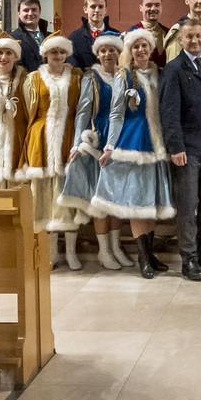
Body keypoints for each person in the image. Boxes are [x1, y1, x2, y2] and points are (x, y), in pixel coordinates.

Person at [90, 27, 176, 279]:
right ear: (130, 49)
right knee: (138, 202)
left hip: (156, 144)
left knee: (151, 202)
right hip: (134, 143)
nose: (140, 50)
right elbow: (116, 114)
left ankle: (150, 254)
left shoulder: (159, 73)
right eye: (136, 46)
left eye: (144, 46)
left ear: (151, 49)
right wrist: (109, 147)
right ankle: (143, 258)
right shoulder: (123, 76)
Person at [59, 33, 136, 269]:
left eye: (112, 50)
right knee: (101, 198)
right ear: (97, 54)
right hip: (99, 138)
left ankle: (115, 246)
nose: (108, 54)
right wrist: (76, 144)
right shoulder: (91, 78)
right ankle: (103, 250)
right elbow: (83, 112)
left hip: (120, 137)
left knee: (116, 197)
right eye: (103, 51)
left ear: (119, 53)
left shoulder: (125, 76)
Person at [160, 19, 201, 280]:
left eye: (198, 36)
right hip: (187, 150)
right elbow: (168, 111)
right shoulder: (173, 69)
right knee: (188, 206)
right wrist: (176, 146)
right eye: (189, 37)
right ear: (180, 40)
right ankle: (189, 259)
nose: (194, 41)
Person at [21, 34, 85, 269]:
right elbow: (27, 110)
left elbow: (81, 109)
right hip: (41, 139)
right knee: (43, 197)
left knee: (67, 194)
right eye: (53, 52)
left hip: (68, 137)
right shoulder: (33, 79)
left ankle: (71, 252)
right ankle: (51, 252)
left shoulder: (77, 77)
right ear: (45, 54)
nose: (58, 56)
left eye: (61, 52)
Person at [0, 35, 30, 189]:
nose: (4, 57)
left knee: (17, 188)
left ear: (16, 56)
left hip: (18, 137)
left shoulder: (26, 80)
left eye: (9, 53)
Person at [67, 0, 114, 70]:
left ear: (105, 10)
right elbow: (73, 69)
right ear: (85, 9)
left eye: (101, 7)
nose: (97, 10)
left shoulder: (116, 36)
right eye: (93, 7)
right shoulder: (74, 38)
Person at [130, 0, 170, 68]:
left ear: (161, 7)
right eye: (149, 5)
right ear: (140, 8)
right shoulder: (131, 34)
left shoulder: (168, 32)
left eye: (157, 5)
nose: (153, 9)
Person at [12, 0, 51, 73]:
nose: (30, 13)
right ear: (19, 13)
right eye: (26, 10)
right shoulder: (12, 39)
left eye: (34, 10)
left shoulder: (51, 37)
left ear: (39, 12)